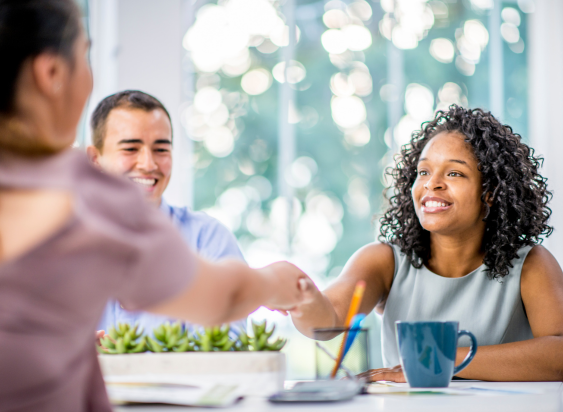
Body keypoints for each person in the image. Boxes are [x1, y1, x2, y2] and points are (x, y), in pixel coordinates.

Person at [0, 1, 309, 410]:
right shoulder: (88, 197)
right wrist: (273, 281)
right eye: (84, 55)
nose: (148, 163)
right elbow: (220, 298)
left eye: (160, 148)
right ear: (51, 73)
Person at [290, 105, 563, 382]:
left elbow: (559, 355)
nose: (432, 184)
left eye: (454, 173)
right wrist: (303, 300)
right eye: (423, 172)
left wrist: (441, 359)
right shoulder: (383, 261)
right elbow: (327, 320)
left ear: (490, 193)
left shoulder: (531, 264)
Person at [86, 90, 246, 335]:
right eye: (130, 149)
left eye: (161, 149)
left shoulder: (208, 238)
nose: (149, 165)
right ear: (95, 160)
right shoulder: (61, 241)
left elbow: (227, 342)